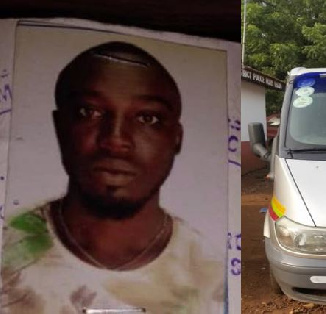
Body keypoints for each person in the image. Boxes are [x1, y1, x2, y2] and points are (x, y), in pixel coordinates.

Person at [1, 41, 224, 313]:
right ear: (60, 127)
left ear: (176, 138)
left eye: (147, 118)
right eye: (90, 112)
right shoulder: (8, 252)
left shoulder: (210, 272)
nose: (116, 140)